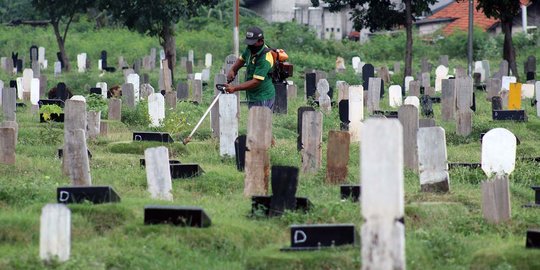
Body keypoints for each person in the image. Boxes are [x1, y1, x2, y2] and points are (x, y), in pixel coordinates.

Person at [225, 26, 275, 109]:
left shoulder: (265, 59)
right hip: (252, 95)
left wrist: (234, 88)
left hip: (263, 97)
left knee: (260, 121)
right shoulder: (250, 49)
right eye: (249, 42)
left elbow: (256, 81)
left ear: (261, 41)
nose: (250, 45)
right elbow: (242, 59)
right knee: (253, 121)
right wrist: (233, 70)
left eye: (252, 43)